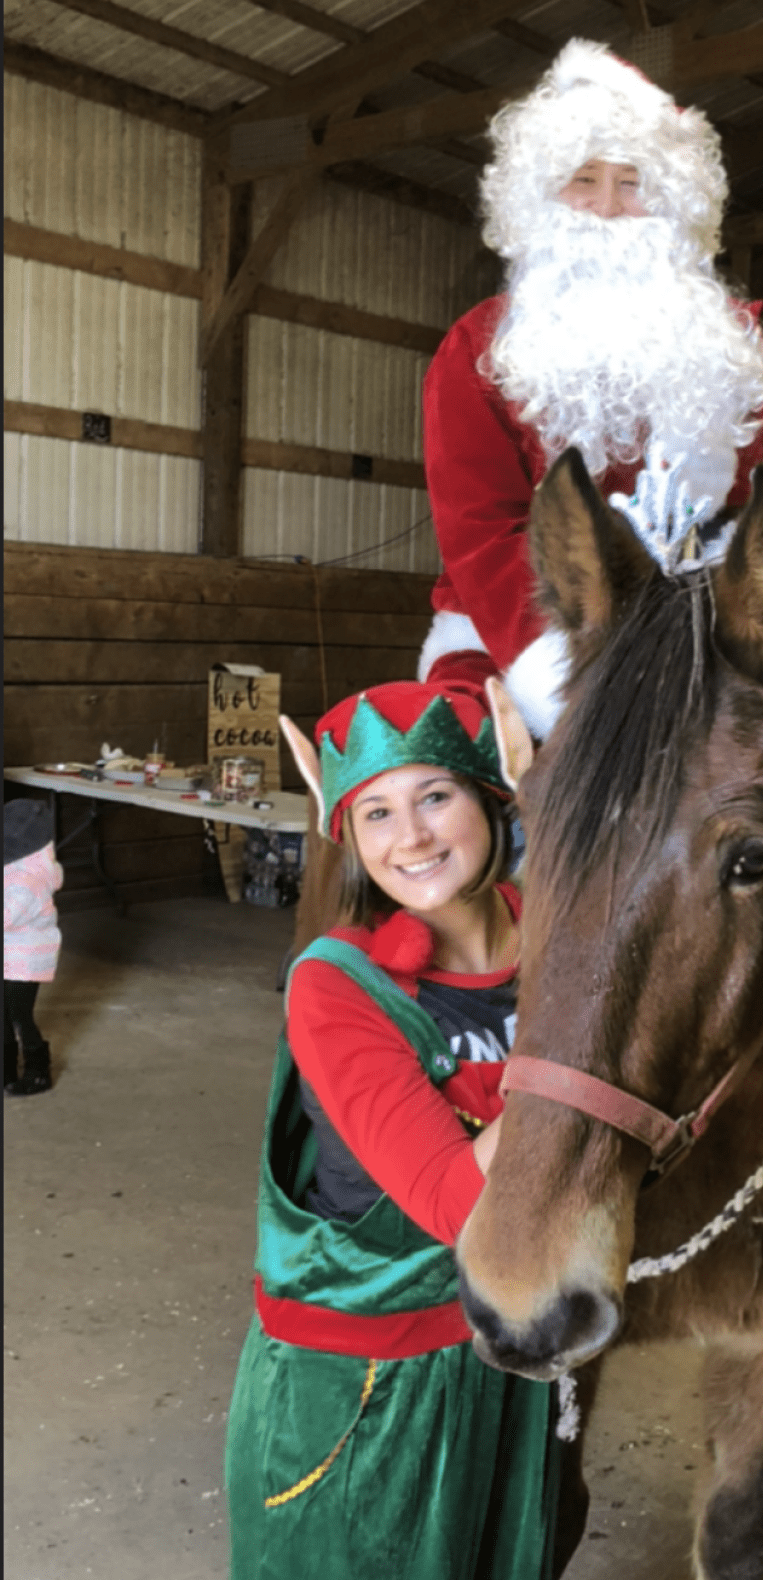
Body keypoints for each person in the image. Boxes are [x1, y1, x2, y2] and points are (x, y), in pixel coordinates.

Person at [224, 668, 570, 1580]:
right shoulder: (336, 984)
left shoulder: (555, 938)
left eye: (434, 795)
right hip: (366, 1382)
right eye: (374, 813)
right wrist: (585, 1040)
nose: (409, 836)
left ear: (492, 801)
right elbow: (458, 1204)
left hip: (505, 1351)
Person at [420, 38, 763, 740]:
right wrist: (565, 671)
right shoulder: (478, 351)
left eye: (634, 181)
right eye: (583, 179)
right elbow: (481, 531)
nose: (609, 207)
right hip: (526, 631)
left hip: (720, 624)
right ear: (539, 198)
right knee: (444, 786)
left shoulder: (747, 341)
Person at [4, 798, 62, 1096]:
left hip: (25, 962)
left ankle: (39, 1071)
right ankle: (6, 1070)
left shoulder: (28, 882)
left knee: (19, 1016)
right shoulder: (17, 868)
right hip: (9, 956)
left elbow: (6, 915)